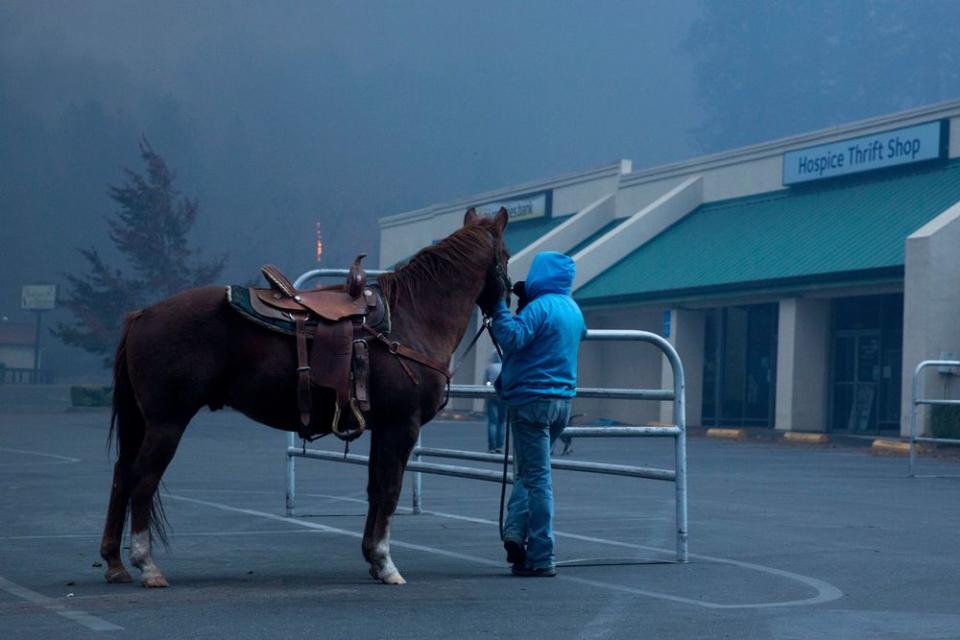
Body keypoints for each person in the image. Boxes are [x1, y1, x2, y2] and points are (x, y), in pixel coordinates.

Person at [490, 251, 586, 577]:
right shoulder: (573, 310)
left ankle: (542, 555)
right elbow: (575, 337)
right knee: (530, 474)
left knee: (538, 479)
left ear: (539, 276)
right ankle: (515, 533)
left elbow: (513, 337)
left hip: (530, 402)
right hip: (562, 404)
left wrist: (499, 306)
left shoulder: (540, 308)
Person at [483, 351, 506, 453]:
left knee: (493, 421)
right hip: (504, 396)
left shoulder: (489, 368)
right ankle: (499, 446)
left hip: (491, 395)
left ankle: (491, 446)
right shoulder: (506, 366)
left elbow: (484, 382)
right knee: (502, 422)